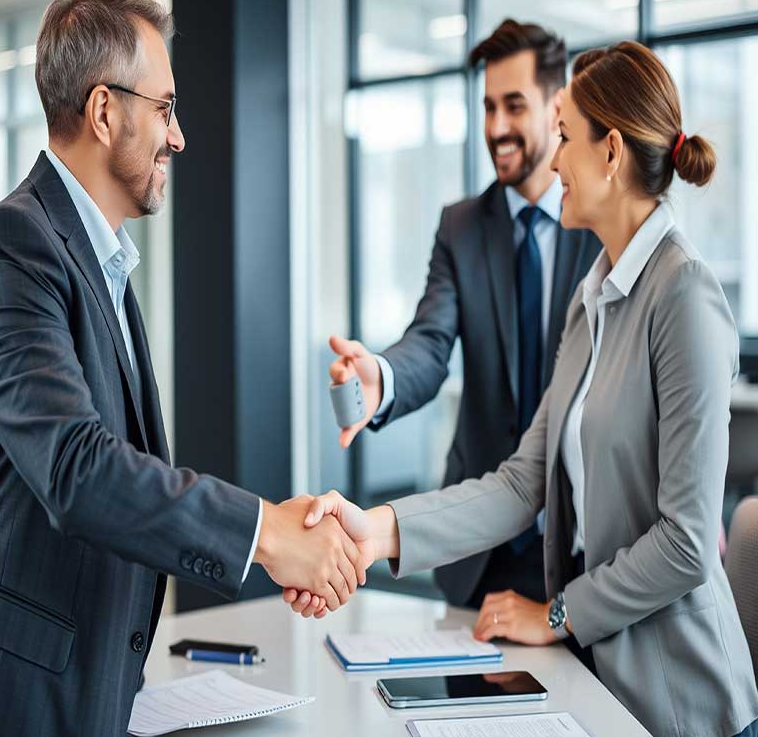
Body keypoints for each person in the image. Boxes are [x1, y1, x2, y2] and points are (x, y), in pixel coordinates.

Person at [288, 41, 758, 737]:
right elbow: (522, 482)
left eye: (564, 137)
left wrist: (556, 612)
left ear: (610, 152)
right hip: (598, 680)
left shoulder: (682, 294)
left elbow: (687, 542)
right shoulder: (592, 298)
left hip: (679, 697)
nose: (554, 159)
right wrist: (373, 531)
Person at [0, 0, 365, 737]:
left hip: (88, 681)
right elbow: (78, 469)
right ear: (105, 112)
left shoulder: (95, 259)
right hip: (14, 695)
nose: (179, 136)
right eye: (164, 108)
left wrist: (274, 529)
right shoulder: (15, 247)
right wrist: (267, 535)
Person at [328, 19, 600, 617]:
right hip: (477, 546)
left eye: (513, 106)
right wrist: (381, 377)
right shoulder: (462, 226)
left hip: (583, 545)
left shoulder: (600, 228)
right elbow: (429, 343)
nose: (496, 128)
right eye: (486, 108)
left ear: (559, 108)